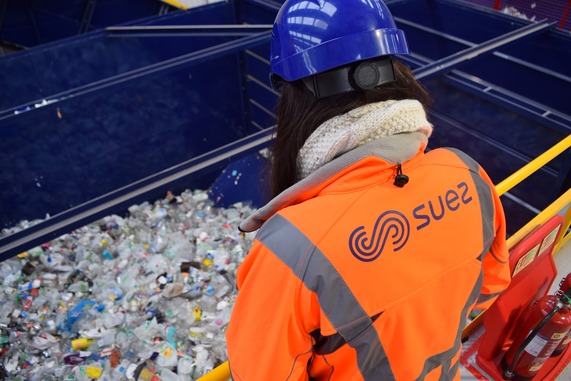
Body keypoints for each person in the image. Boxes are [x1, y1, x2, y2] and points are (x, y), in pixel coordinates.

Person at [226, 0, 511, 379]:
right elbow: (489, 287)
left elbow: (261, 373)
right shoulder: (467, 173)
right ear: (396, 71)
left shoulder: (290, 250)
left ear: (293, 99)